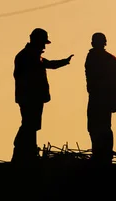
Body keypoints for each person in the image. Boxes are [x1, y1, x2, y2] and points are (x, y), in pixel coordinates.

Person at [12, 28, 74, 164]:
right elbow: (20, 76)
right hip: (30, 98)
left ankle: (28, 152)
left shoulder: (34, 56)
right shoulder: (26, 56)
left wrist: (64, 61)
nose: (44, 47)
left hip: (34, 97)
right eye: (42, 43)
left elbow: (49, 64)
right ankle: (22, 151)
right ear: (36, 41)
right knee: (29, 124)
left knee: (32, 125)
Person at [85, 32, 116, 165]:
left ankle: (102, 155)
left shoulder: (100, 58)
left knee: (99, 127)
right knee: (99, 127)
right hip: (101, 98)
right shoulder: (107, 58)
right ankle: (101, 154)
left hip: (100, 99)